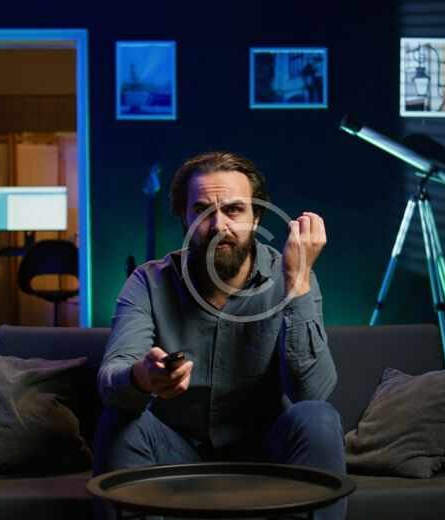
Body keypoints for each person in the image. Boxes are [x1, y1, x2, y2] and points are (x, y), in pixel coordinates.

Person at [94, 151, 345, 519]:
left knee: (318, 417)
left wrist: (298, 282)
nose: (218, 226)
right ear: (183, 217)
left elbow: (313, 393)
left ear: (256, 217)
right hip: (175, 459)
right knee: (119, 419)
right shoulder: (148, 282)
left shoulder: (292, 275)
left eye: (234, 210)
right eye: (201, 211)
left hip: (265, 459)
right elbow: (111, 380)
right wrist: (142, 378)